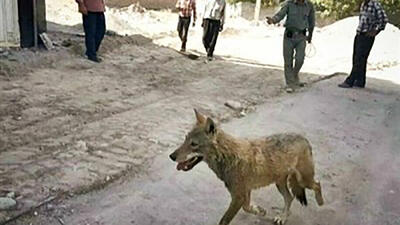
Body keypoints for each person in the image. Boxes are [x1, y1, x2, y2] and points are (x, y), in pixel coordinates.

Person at [267, 0, 315, 93]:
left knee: (300, 59)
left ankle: (294, 75)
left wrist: (310, 36)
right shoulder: (289, 4)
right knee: (288, 61)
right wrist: (273, 20)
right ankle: (290, 83)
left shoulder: (309, 6)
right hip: (289, 36)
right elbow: (280, 15)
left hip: (301, 36)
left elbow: (312, 22)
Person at [338, 0, 388, 88]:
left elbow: (384, 19)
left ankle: (350, 81)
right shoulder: (363, 4)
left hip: (367, 35)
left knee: (359, 59)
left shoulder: (375, 4)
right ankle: (360, 81)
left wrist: (375, 31)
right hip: (359, 34)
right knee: (358, 57)